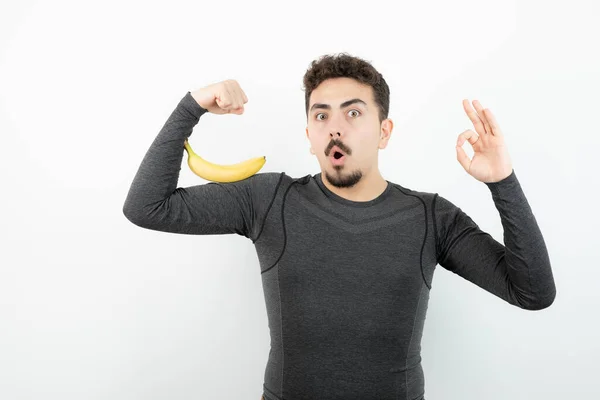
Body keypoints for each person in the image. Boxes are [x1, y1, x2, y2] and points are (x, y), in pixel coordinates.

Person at [122, 52, 556, 400]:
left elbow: (532, 292)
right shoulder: (269, 199)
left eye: (353, 114)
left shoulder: (431, 216)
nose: (334, 129)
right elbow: (147, 206)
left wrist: (502, 181)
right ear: (309, 134)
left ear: (384, 131)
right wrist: (192, 105)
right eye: (321, 115)